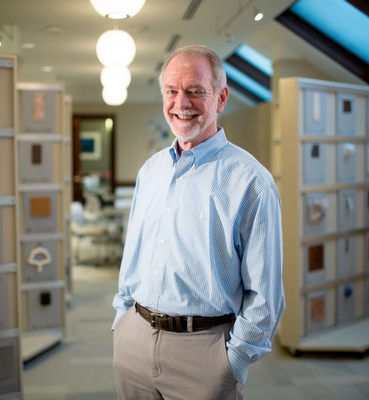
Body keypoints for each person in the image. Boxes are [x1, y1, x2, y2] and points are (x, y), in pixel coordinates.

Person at [112, 45, 285, 400]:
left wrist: (233, 362)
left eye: (195, 91)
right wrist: (121, 320)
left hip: (204, 354)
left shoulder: (251, 181)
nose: (181, 103)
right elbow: (134, 256)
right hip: (134, 340)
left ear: (221, 98)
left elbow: (265, 296)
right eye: (171, 91)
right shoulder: (151, 171)